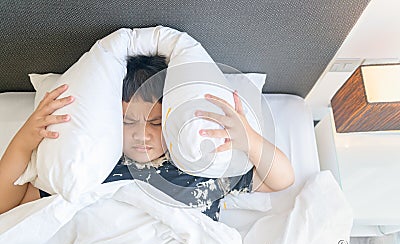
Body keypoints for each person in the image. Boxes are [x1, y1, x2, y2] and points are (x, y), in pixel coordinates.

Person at [0, 55, 295, 220]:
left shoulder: (202, 168)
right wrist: (26, 138)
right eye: (128, 121)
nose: (142, 134)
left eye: (155, 122)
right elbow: (6, 203)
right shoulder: (93, 166)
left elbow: (281, 179)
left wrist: (250, 140)